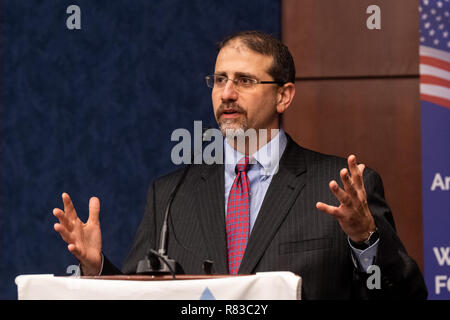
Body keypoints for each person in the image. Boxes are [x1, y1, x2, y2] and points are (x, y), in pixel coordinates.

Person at [53, 30, 427, 299]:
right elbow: (141, 295)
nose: (227, 93)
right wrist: (97, 268)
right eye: (219, 80)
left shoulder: (340, 187)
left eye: (244, 80)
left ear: (284, 96)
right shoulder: (169, 194)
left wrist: (366, 238)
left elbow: (406, 295)